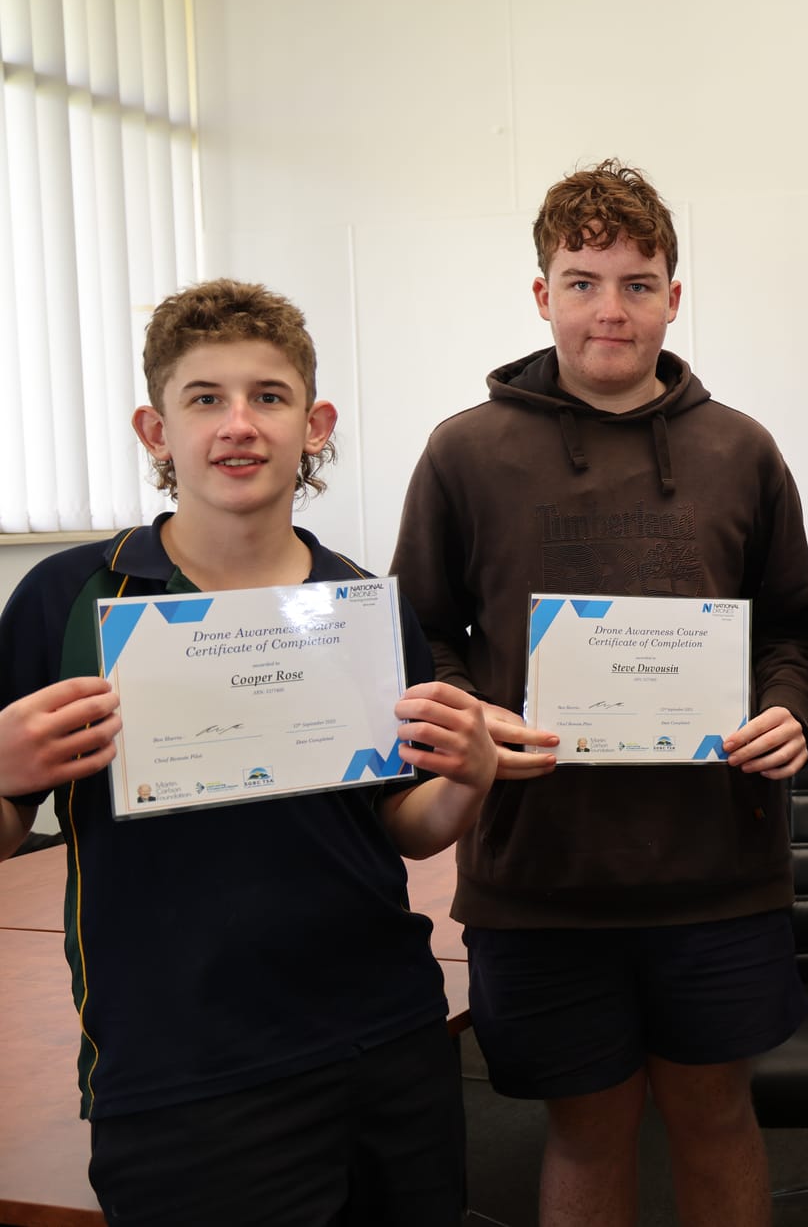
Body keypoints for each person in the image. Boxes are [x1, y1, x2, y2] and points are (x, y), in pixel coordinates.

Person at [0, 279, 498, 1226]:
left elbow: (401, 828)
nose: (240, 425)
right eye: (205, 399)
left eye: (269, 397)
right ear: (156, 430)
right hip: (185, 1070)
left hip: (389, 1040)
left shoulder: (365, 604)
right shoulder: (70, 601)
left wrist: (470, 778)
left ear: (315, 423)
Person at [392, 159, 808, 1226]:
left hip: (716, 870)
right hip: (540, 873)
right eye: (583, 280)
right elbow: (415, 638)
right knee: (585, 1130)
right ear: (541, 294)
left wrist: (789, 707)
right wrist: (472, 715)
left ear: (674, 297)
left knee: (716, 1117)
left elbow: (789, 625)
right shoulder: (463, 452)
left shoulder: (742, 451)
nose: (610, 308)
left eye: (637, 282)